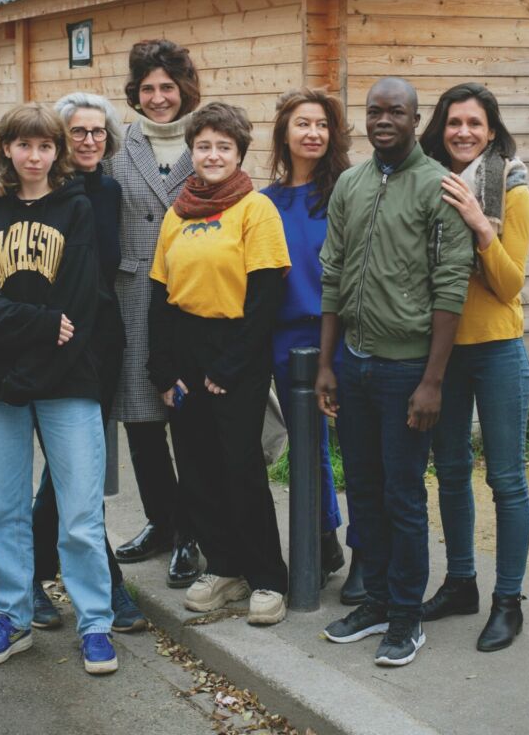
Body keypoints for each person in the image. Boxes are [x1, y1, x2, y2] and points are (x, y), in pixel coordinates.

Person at [318, 77, 473, 667]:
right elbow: (332, 275)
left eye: (396, 112)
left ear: (416, 119)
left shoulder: (439, 187)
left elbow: (450, 286)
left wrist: (432, 380)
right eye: (374, 112)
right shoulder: (351, 185)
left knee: (403, 494)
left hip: (406, 369)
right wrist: (328, 363)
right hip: (353, 364)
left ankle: (407, 616)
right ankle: (377, 600)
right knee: (362, 486)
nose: (384, 120)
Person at [0, 102, 117, 675]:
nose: (34, 155)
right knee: (2, 507)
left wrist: (42, 350)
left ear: (58, 152)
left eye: (45, 146)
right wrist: (36, 325)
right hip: (0, 382)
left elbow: (79, 303)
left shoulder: (75, 210)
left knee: (78, 513)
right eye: (23, 145)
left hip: (67, 381)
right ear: (8, 150)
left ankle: (95, 623)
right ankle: (14, 616)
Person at [147, 102, 291, 625]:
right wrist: (163, 369)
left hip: (237, 351)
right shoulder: (177, 212)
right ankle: (224, 566)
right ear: (192, 152)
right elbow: (160, 295)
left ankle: (267, 577)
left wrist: (229, 366)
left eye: (223, 147)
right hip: (185, 350)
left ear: (239, 154)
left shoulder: (256, 210)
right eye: (203, 146)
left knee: (239, 467)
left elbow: (265, 296)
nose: (212, 155)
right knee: (197, 466)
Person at [420, 82, 529, 652]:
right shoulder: (426, 184)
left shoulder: (509, 186)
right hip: (441, 351)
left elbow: (510, 282)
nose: (463, 132)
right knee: (451, 470)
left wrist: (479, 223)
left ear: (491, 130)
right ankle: (461, 581)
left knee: (506, 479)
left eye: (475, 123)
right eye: (454, 122)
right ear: (441, 129)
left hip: (496, 350)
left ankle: (507, 601)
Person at [26, 93, 146, 634]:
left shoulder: (111, 190)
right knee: (76, 467)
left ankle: (33, 570)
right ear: (60, 137)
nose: (90, 141)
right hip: (55, 343)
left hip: (102, 344)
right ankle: (107, 585)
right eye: (79, 132)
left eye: (99, 132)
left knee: (76, 465)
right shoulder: (38, 195)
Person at [262, 88, 365, 601]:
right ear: (285, 132)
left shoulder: (346, 190)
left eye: (322, 124)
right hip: (288, 340)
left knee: (360, 443)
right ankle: (323, 539)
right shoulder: (264, 201)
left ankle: (365, 548)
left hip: (344, 332)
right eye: (303, 123)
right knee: (308, 449)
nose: (313, 133)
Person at [105, 40, 201, 588]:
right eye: (148, 89)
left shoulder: (207, 140)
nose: (159, 98)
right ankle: (161, 522)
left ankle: (191, 532)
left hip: (189, 302)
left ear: (184, 89)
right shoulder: (120, 144)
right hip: (132, 300)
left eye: (167, 87)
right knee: (141, 425)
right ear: (135, 94)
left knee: (188, 425)